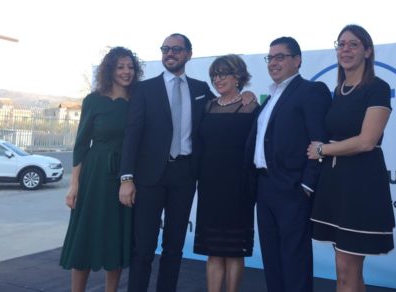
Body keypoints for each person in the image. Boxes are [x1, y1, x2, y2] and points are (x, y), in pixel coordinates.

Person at [118, 34, 255, 292]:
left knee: (174, 247)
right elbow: (132, 135)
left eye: (176, 49)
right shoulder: (144, 90)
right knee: (143, 247)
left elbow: (227, 101)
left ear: (188, 54)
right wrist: (126, 178)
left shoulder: (201, 90)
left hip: (185, 175)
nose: (170, 53)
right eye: (165, 49)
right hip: (149, 177)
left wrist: (247, 93)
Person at [306, 24, 395, 292]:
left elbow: (367, 141)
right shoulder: (339, 90)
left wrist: (322, 150)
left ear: (367, 51)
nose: (345, 49)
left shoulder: (378, 88)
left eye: (353, 44)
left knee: (346, 269)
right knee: (347, 270)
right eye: (341, 44)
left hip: (361, 184)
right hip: (335, 183)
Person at [245, 36, 332, 292]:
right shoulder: (270, 97)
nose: (273, 63)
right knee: (272, 260)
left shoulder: (311, 91)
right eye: (270, 58)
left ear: (297, 60)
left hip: (292, 188)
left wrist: (306, 185)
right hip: (264, 187)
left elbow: (320, 140)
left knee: (295, 261)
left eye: (280, 57)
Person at [60, 46, 143, 292]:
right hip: (94, 175)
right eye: (120, 67)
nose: (126, 72)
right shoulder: (93, 100)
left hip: (126, 176)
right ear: (110, 70)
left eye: (130, 67)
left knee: (115, 237)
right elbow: (81, 145)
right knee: (85, 235)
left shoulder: (139, 100)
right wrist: (74, 184)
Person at [193, 54, 259, 292]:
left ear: (238, 76)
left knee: (233, 252)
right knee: (213, 252)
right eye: (214, 75)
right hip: (210, 187)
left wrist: (249, 94)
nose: (217, 79)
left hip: (238, 188)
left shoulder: (251, 106)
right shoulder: (208, 106)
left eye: (223, 74)